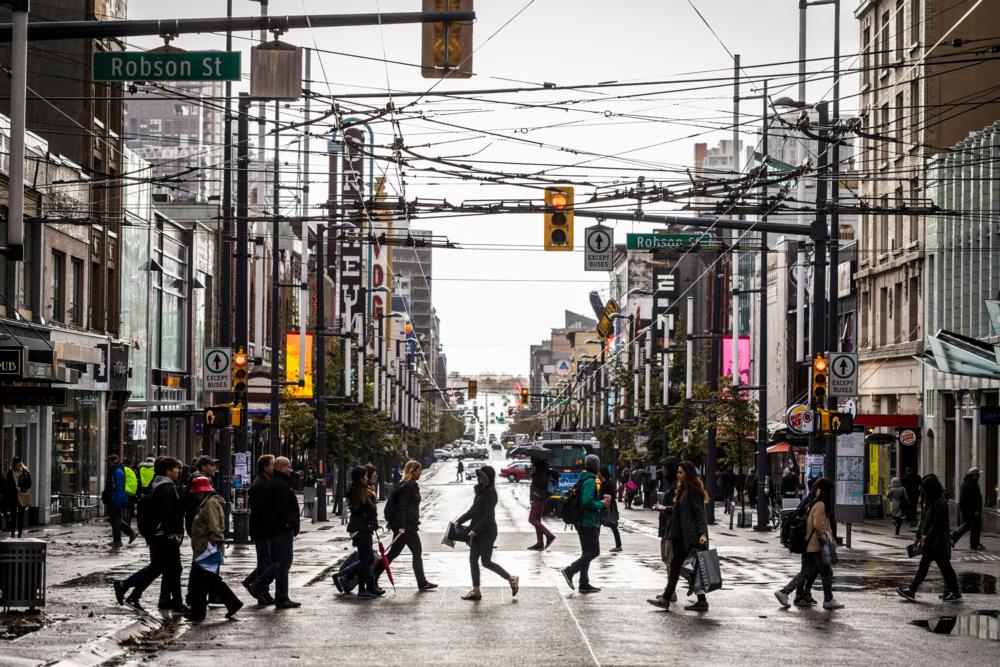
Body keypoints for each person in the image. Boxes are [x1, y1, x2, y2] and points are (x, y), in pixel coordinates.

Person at [113, 456, 187, 613]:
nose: (178, 471)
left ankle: (133, 593)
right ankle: (125, 586)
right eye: (175, 468)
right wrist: (172, 533)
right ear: (168, 471)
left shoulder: (160, 485)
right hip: (164, 536)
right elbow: (168, 514)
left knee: (164, 568)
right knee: (166, 568)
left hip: (160, 535)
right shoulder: (167, 488)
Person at [648, 460, 710, 612]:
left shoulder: (693, 491)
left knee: (676, 566)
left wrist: (702, 533)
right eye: (678, 472)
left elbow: (700, 513)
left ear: (688, 474)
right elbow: (678, 510)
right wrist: (663, 508)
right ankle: (701, 601)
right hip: (681, 534)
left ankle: (666, 599)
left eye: (681, 472)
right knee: (690, 568)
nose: (678, 475)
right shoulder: (684, 490)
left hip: (688, 536)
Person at [775, 477, 844, 611]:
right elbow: (817, 524)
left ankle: (784, 592)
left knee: (805, 572)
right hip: (815, 545)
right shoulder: (820, 504)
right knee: (826, 572)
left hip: (807, 544)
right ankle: (828, 600)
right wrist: (823, 539)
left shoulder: (812, 501)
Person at [373, 460, 438, 591]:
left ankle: (373, 576)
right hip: (406, 527)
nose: (421, 472)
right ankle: (421, 582)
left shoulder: (407, 485)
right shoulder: (408, 487)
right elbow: (402, 507)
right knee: (416, 552)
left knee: (393, 554)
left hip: (406, 525)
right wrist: (402, 526)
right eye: (419, 470)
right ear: (413, 472)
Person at [455, 465, 518, 600]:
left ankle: (511, 578)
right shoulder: (480, 491)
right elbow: (473, 510)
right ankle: (476, 590)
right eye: (478, 476)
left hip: (487, 531)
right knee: (473, 560)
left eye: (482, 476)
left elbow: (488, 515)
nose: (479, 478)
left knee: (486, 561)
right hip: (476, 531)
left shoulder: (491, 493)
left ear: (488, 477)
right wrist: (459, 521)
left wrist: (475, 530)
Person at [897, 473, 962, 603]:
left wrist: (926, 537)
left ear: (931, 489)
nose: (923, 493)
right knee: (932, 567)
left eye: (925, 490)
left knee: (944, 568)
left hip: (938, 542)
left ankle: (954, 592)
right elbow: (926, 522)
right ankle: (913, 590)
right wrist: (920, 535)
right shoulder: (932, 502)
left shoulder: (940, 503)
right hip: (933, 542)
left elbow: (937, 524)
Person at [185, 476, 242, 621]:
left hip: (207, 548)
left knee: (203, 580)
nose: (195, 495)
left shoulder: (210, 504)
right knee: (209, 580)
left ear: (203, 492)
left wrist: (215, 542)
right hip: (206, 548)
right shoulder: (207, 503)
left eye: (197, 492)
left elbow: (214, 526)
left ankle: (199, 612)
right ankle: (231, 603)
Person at [560, 454, 609, 594]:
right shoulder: (590, 481)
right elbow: (587, 501)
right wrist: (601, 504)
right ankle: (570, 571)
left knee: (586, 551)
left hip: (582, 521)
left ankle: (584, 582)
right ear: (596, 466)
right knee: (594, 551)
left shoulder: (584, 478)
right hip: (587, 521)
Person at [268, 456, 301, 609]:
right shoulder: (280, 484)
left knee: (281, 563)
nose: (291, 469)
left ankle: (259, 584)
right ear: (281, 467)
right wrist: (290, 523)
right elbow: (282, 509)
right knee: (283, 563)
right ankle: (281, 597)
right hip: (282, 529)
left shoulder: (279, 482)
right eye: (289, 466)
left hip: (281, 528)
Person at [244, 454, 276, 606]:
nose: (274, 467)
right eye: (272, 464)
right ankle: (260, 588)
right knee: (266, 562)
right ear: (265, 467)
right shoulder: (258, 485)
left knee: (267, 561)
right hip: (262, 530)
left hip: (266, 529)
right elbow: (260, 511)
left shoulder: (267, 482)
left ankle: (253, 583)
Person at [649, 457, 679, 607]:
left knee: (672, 561)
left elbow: (677, 509)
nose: (663, 471)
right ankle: (670, 591)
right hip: (666, 527)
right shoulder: (669, 484)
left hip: (672, 528)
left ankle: (671, 591)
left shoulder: (676, 486)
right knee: (667, 559)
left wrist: (662, 508)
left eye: (665, 468)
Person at [347, 466, 381, 599]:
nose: (367, 478)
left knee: (368, 558)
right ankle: (362, 589)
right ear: (361, 478)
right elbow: (371, 510)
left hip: (363, 528)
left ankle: (370, 587)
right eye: (366, 476)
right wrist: (371, 508)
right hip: (361, 529)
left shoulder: (361, 491)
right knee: (365, 559)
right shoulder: (360, 492)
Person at [104, 455, 136, 547]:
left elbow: (118, 488)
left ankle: (120, 540)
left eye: (110, 461)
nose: (108, 463)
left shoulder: (117, 472)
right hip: (117, 498)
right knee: (115, 519)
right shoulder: (116, 471)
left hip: (117, 499)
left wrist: (115, 501)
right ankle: (121, 538)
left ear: (114, 461)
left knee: (116, 519)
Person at [951, 467, 984, 550]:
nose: (978, 476)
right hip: (972, 511)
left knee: (968, 525)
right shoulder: (971, 484)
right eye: (977, 475)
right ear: (974, 475)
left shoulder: (966, 483)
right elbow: (974, 500)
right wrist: (975, 510)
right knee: (974, 527)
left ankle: (954, 538)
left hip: (969, 511)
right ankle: (974, 544)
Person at [527, 457, 555, 550]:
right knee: (537, 520)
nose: (531, 460)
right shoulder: (540, 466)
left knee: (532, 519)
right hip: (540, 496)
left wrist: (533, 475)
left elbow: (542, 482)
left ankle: (549, 535)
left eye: (532, 458)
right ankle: (540, 543)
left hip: (539, 496)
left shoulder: (540, 467)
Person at [4, 457, 31, 538]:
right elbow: (7, 485)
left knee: (21, 515)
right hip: (13, 496)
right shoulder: (10, 472)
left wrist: (21, 488)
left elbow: (29, 484)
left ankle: (19, 533)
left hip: (22, 496)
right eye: (15, 463)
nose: (16, 464)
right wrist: (13, 489)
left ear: (20, 463)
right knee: (13, 515)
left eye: (18, 463)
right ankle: (12, 532)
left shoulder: (25, 472)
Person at [600, 466, 622, 552]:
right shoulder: (606, 483)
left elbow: (612, 495)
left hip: (608, 506)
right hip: (606, 505)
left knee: (612, 524)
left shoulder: (607, 484)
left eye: (600, 474)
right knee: (611, 525)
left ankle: (618, 545)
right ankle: (618, 545)